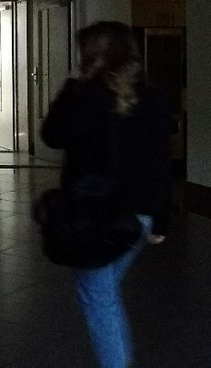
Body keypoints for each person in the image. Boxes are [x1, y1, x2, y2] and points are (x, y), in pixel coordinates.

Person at [41, 21, 171, 368]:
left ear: (92, 55)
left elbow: (52, 136)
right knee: (103, 292)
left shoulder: (85, 97)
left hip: (94, 218)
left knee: (97, 296)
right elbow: (161, 162)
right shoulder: (154, 98)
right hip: (139, 217)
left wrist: (72, 85)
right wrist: (161, 219)